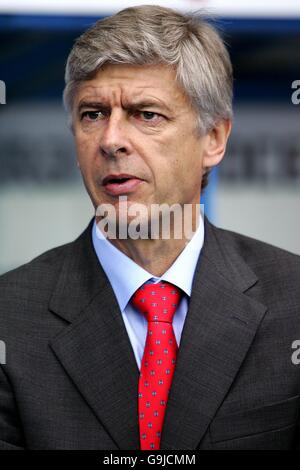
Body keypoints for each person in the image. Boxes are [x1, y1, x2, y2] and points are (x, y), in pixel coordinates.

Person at [0, 5, 300, 451]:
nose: (110, 140)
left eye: (146, 114)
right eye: (92, 114)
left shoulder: (292, 299)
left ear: (214, 138)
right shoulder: (10, 316)